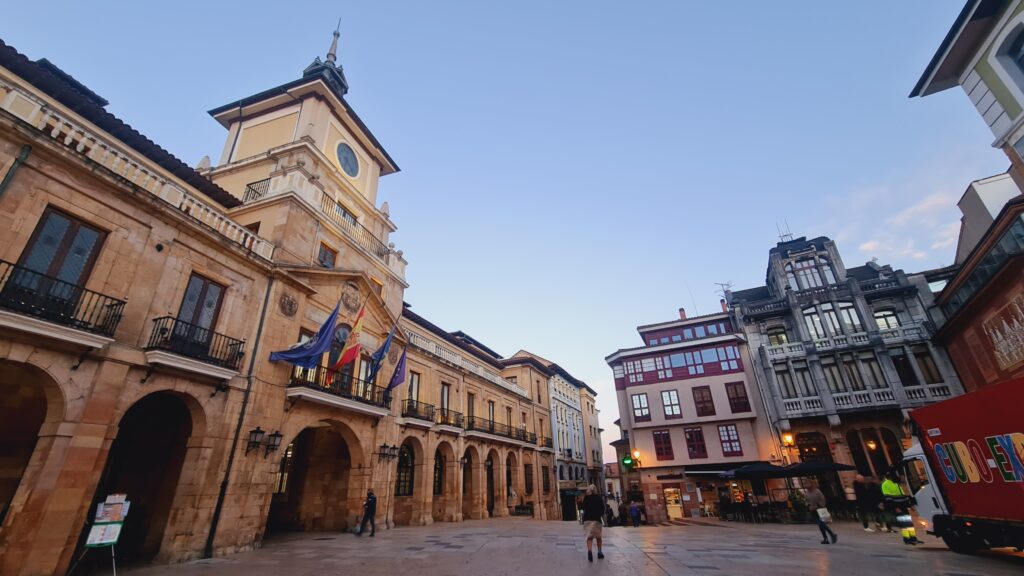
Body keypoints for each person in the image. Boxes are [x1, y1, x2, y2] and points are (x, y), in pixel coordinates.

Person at [581, 485, 605, 562]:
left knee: (589, 537)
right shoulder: (598, 498)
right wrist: (599, 514)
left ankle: (590, 552)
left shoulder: (586, 498)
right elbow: (602, 509)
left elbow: (583, 507)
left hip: (587, 519)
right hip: (596, 519)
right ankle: (599, 552)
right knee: (598, 537)